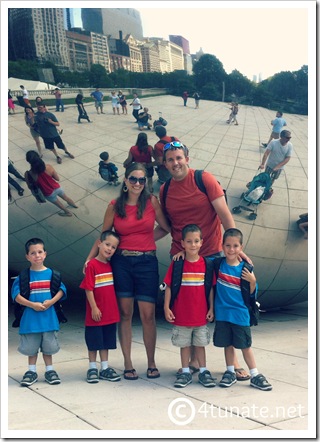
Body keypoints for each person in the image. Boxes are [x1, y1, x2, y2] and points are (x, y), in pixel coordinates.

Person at [154, 141, 251, 381]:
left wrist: (235, 249)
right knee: (188, 307)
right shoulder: (165, 190)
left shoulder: (204, 179)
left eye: (179, 158)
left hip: (211, 255)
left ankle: (234, 360)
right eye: (170, 160)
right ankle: (195, 361)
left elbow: (225, 215)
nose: (175, 163)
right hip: (181, 257)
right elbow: (166, 227)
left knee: (221, 306)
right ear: (164, 164)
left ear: (187, 158)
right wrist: (132, 240)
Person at [84, 163, 171, 380]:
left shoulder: (151, 202)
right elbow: (104, 235)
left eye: (142, 180)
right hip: (121, 263)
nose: (138, 184)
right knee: (125, 314)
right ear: (125, 180)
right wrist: (90, 258)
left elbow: (166, 227)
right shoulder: (115, 206)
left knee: (148, 315)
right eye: (133, 179)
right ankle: (128, 363)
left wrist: (146, 240)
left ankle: (151, 362)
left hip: (146, 263)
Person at [213, 228, 272, 391]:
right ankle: (230, 372)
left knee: (245, 345)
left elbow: (252, 294)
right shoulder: (218, 265)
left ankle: (255, 374)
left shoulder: (245, 270)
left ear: (241, 247)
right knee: (228, 344)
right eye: (228, 245)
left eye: (235, 246)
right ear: (222, 246)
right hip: (223, 314)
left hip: (240, 314)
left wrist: (253, 281)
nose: (231, 250)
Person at [164, 224, 216, 388]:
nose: (193, 245)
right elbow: (169, 286)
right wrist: (166, 307)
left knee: (200, 345)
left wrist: (211, 308)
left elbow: (210, 289)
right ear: (182, 243)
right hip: (182, 315)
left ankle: (203, 371)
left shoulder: (207, 265)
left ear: (201, 242)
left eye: (196, 241)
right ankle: (185, 371)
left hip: (200, 316)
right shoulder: (178, 264)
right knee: (184, 345)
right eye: (189, 241)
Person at [11, 237, 67, 387]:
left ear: (45, 254)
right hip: (30, 322)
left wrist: (51, 302)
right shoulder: (24, 277)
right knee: (31, 348)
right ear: (27, 256)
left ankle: (50, 370)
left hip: (49, 320)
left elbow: (62, 290)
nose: (37, 255)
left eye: (40, 252)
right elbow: (16, 296)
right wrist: (31, 305)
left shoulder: (52, 274)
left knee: (48, 348)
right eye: (33, 253)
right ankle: (31, 371)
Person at [80, 230, 122, 384]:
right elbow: (88, 288)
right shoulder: (92, 265)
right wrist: (94, 307)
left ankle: (104, 367)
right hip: (96, 313)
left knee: (106, 342)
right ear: (99, 243)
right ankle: (92, 367)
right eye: (107, 244)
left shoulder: (111, 266)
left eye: (113, 247)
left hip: (110, 313)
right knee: (94, 342)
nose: (110, 248)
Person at [25, 150, 78, 217]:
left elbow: (30, 187)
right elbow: (57, 179)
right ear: (38, 157)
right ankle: (74, 205)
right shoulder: (48, 167)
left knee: (59, 204)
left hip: (48, 193)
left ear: (28, 161)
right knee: (66, 198)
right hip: (57, 187)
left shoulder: (28, 174)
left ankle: (68, 213)